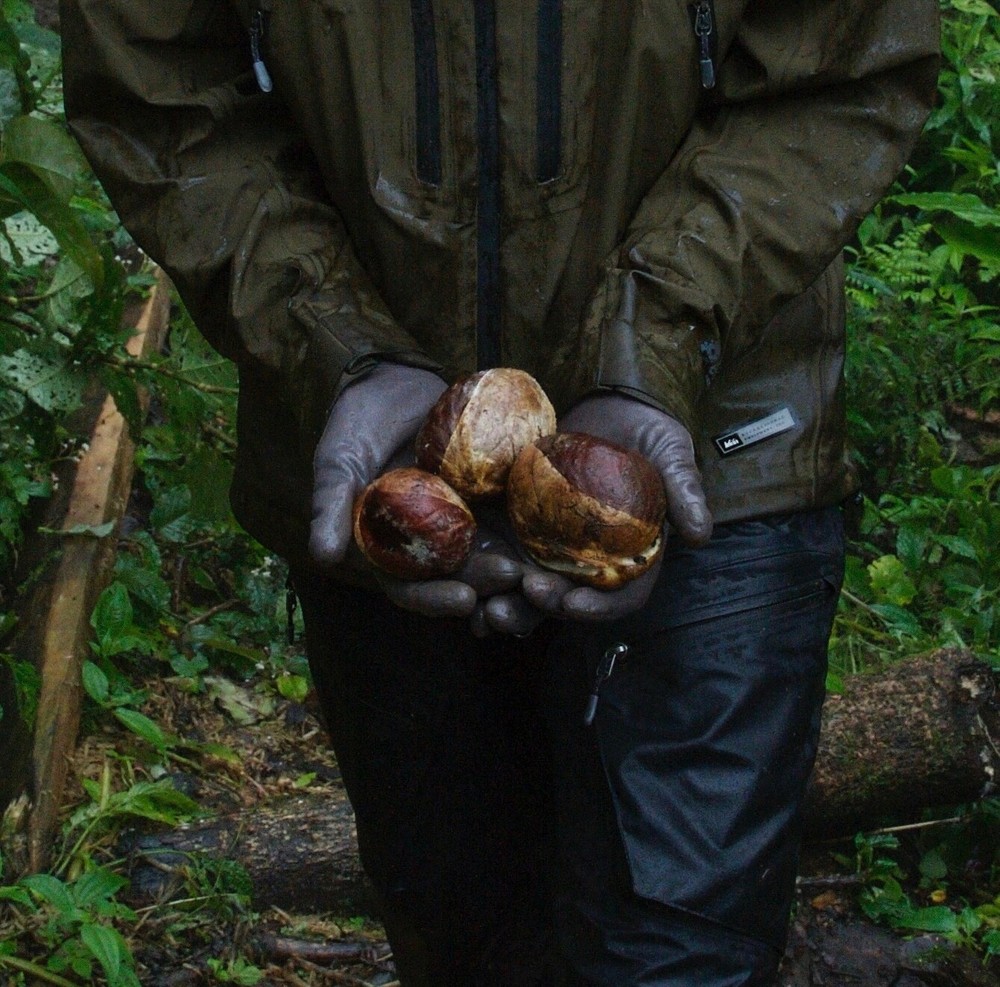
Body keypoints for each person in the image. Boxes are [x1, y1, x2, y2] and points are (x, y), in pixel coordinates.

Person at [60, 2, 941, 983]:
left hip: (719, 435)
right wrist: (331, 339)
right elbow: (156, 87)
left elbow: (843, 68)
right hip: (383, 468)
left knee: (676, 955)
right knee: (465, 929)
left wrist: (658, 329)